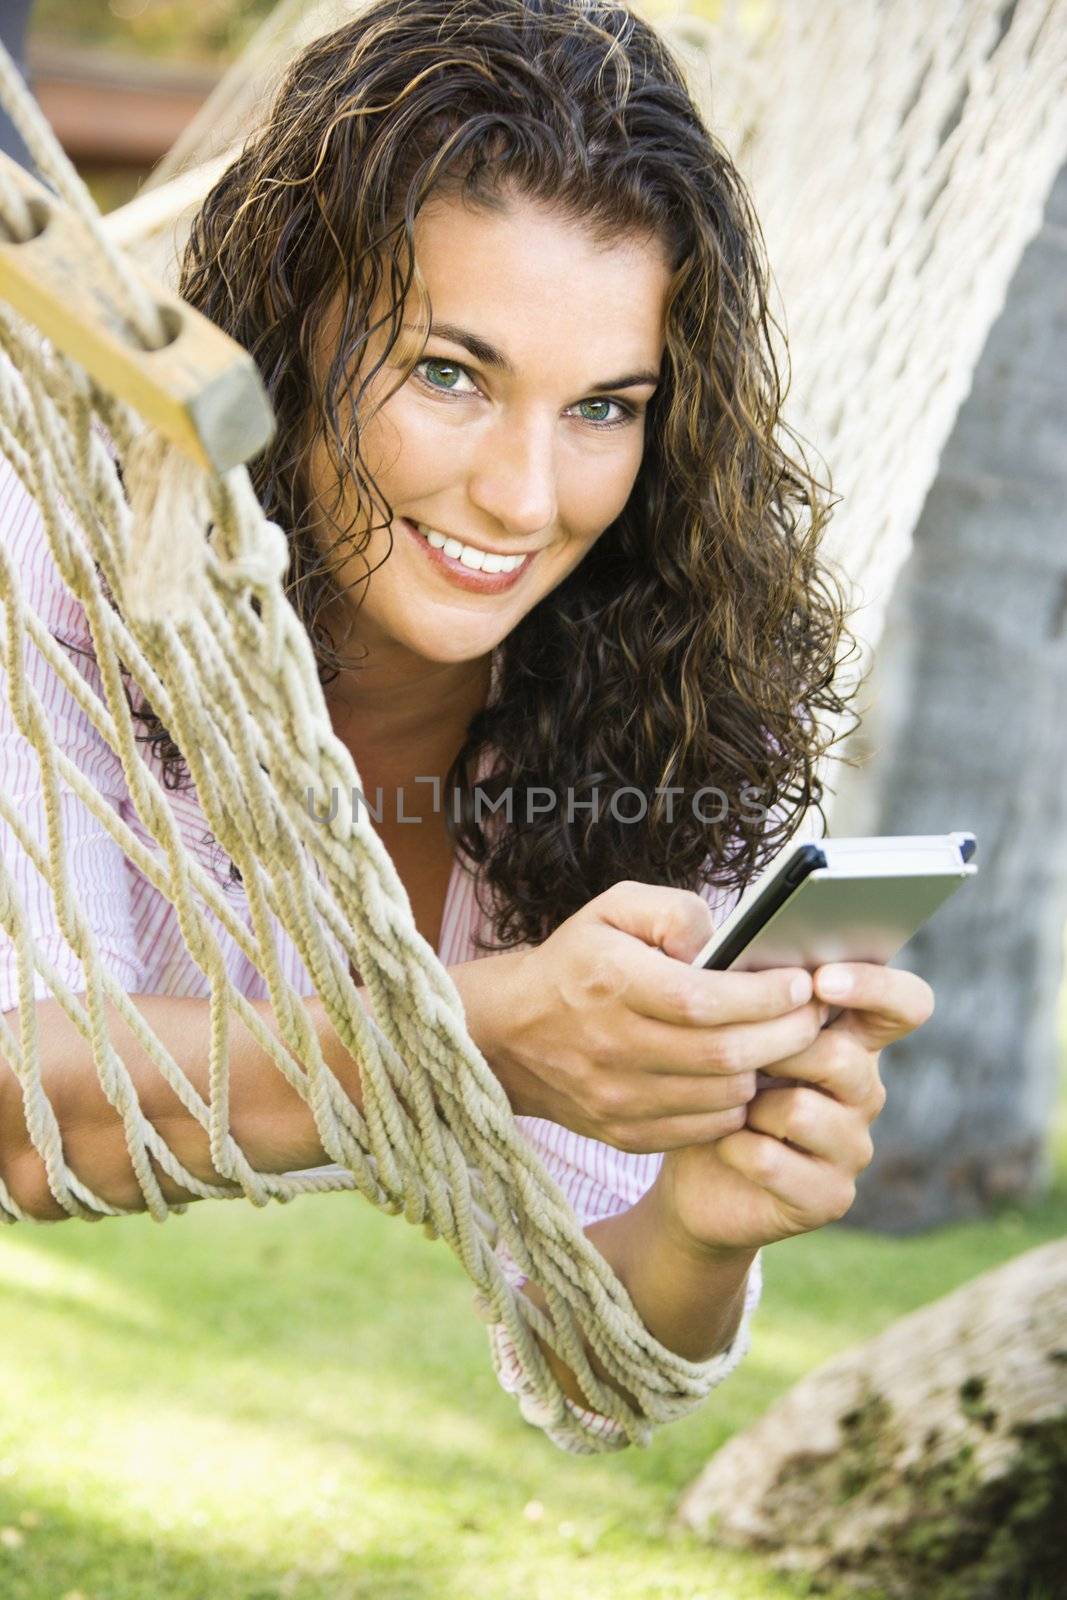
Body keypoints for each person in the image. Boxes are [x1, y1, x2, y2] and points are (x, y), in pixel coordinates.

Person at [0, 0, 933, 1452]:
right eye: (452, 372)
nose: (524, 495)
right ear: (292, 341)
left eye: (606, 408)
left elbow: (597, 1373)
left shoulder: (681, 714)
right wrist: (476, 1038)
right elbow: (30, 1116)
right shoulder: (55, 564)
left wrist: (703, 1227)